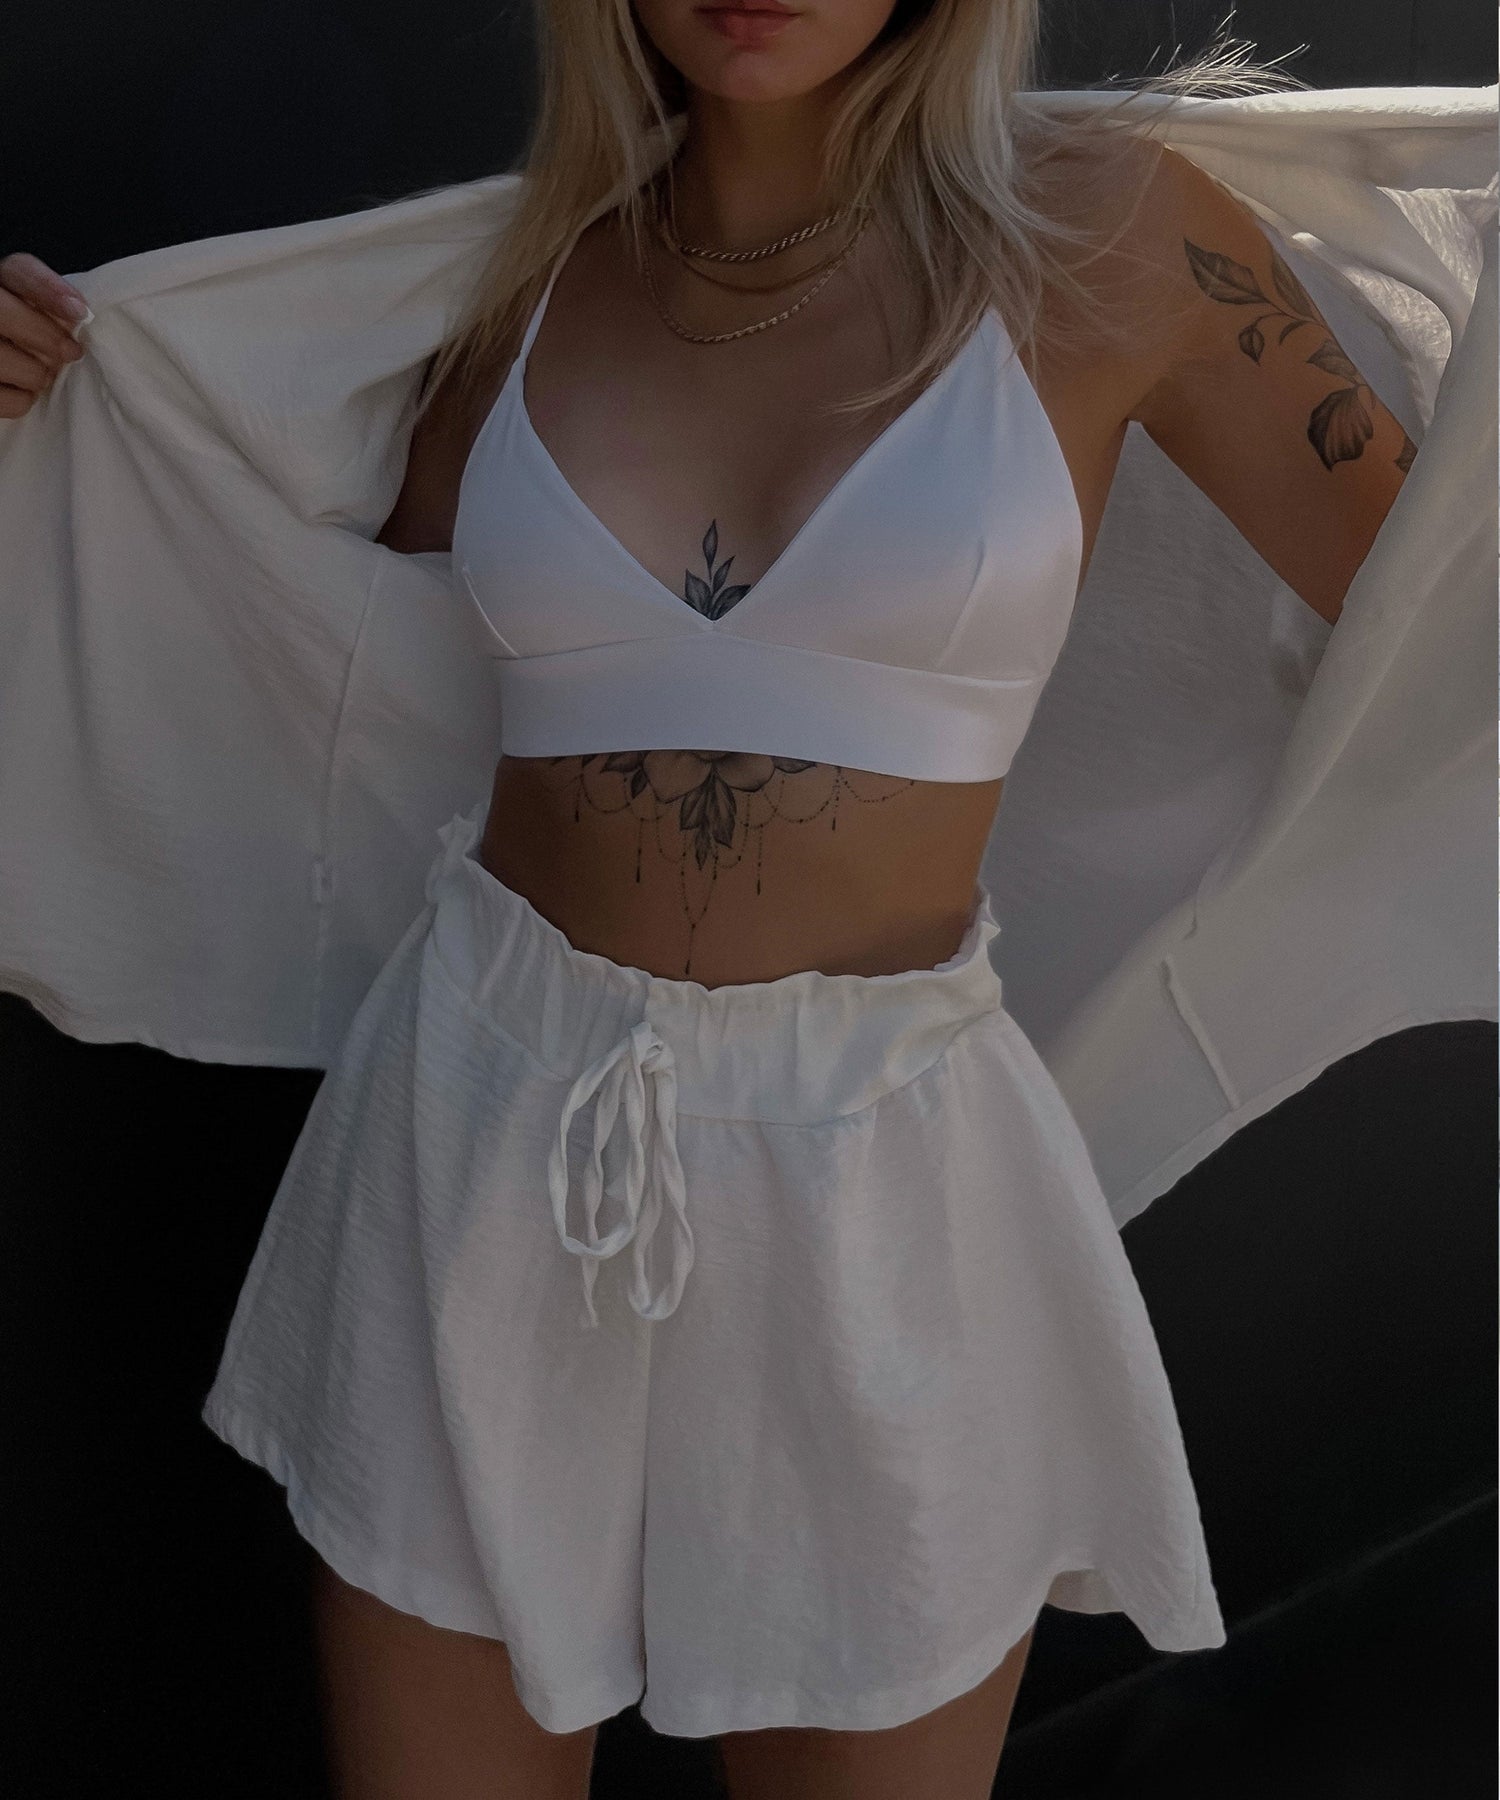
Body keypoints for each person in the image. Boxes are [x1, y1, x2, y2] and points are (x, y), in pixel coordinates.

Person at [1, 5, 1493, 1798]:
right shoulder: (520, 282)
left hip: (886, 1178)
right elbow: (286, 647)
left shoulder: (1112, 234)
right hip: (477, 1131)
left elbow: (1446, 614)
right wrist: (46, 431)